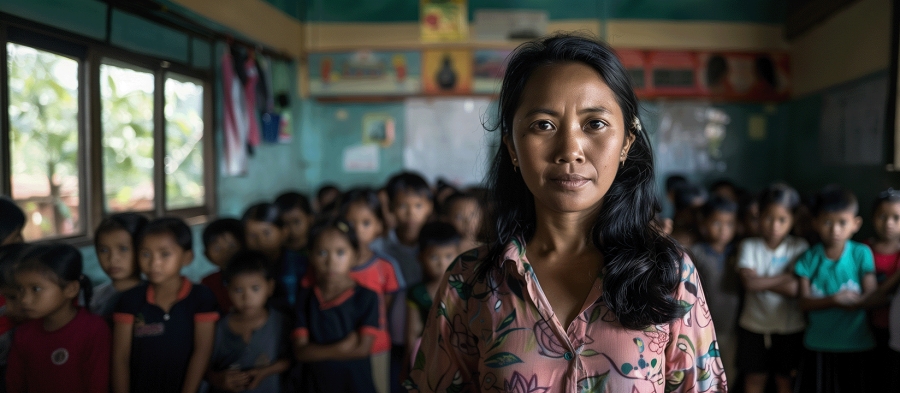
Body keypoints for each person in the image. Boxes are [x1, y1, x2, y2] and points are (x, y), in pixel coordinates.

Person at [407, 34, 726, 393]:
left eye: (595, 124)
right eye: (543, 124)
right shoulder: (470, 284)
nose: (570, 150)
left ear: (626, 143)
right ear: (512, 146)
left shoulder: (669, 275)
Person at [112, 217, 219, 393]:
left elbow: (202, 352)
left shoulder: (201, 297)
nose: (154, 263)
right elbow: (120, 358)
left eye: (165, 254)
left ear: (187, 257)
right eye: (146, 254)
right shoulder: (130, 300)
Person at [794, 185, 875, 392]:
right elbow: (803, 302)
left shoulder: (861, 253)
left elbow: (871, 294)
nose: (835, 229)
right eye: (827, 222)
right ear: (816, 223)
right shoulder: (809, 257)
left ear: (856, 224)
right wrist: (834, 300)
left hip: (857, 343)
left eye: (842, 223)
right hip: (818, 344)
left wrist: (857, 301)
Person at [736, 183, 809, 393]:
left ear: (793, 219)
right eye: (768, 218)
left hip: (790, 327)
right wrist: (787, 277)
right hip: (753, 326)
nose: (774, 225)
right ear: (759, 216)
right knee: (754, 379)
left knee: (784, 381)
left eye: (782, 219)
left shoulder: (799, 246)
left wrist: (761, 281)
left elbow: (796, 290)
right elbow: (748, 283)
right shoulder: (749, 246)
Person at [7, 243, 109, 392]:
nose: (24, 300)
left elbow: (98, 386)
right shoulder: (23, 335)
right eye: (21, 289)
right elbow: (14, 385)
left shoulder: (93, 331)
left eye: (36, 289)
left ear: (70, 289)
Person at [293, 218, 380, 392]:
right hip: (315, 384)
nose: (331, 262)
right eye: (322, 253)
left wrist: (315, 351)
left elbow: (363, 349)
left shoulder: (366, 297)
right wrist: (341, 348)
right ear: (310, 255)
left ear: (354, 255)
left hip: (355, 383)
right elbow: (300, 352)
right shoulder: (305, 297)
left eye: (340, 252)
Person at [372, 171, 434, 392]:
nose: (411, 214)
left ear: (430, 206)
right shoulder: (379, 248)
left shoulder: (437, 247)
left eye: (418, 205)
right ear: (390, 208)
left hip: (426, 334)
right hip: (391, 334)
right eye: (402, 206)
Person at [339, 188, 404, 393]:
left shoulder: (386, 266)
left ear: (378, 226)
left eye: (366, 223)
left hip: (376, 345)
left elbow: (384, 308)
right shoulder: (332, 267)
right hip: (338, 344)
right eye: (350, 224)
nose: (357, 230)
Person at [207, 250, 290, 393]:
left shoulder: (281, 322)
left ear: (270, 288)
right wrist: (218, 379)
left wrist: (265, 371)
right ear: (228, 290)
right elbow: (204, 367)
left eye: (255, 289)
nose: (247, 298)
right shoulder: (218, 328)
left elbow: (292, 358)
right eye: (238, 290)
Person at [689, 195, 740, 383]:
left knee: (729, 374)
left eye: (729, 224)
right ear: (704, 224)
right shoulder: (696, 253)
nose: (723, 230)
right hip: (701, 329)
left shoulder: (739, 253)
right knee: (703, 376)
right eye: (717, 223)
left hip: (730, 328)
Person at [404, 222, 460, 367]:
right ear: (420, 257)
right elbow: (413, 332)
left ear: (459, 255)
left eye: (448, 256)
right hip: (429, 356)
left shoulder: (465, 288)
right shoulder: (417, 292)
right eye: (434, 257)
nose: (442, 263)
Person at [868, 188, 900, 391]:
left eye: (896, 218)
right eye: (882, 216)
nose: (889, 223)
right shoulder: (861, 250)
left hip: (895, 330)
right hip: (866, 327)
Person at [243, 203, 305, 308]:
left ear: (284, 232)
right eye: (252, 235)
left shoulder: (301, 265)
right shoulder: (242, 268)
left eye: (266, 233)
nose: (260, 241)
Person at [90, 213, 148, 320]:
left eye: (123, 249)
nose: (112, 259)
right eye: (104, 250)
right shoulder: (93, 299)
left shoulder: (155, 296)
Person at [200, 218, 245, 313]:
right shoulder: (208, 283)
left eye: (232, 246)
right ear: (207, 255)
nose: (226, 252)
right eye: (217, 248)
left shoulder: (256, 277)